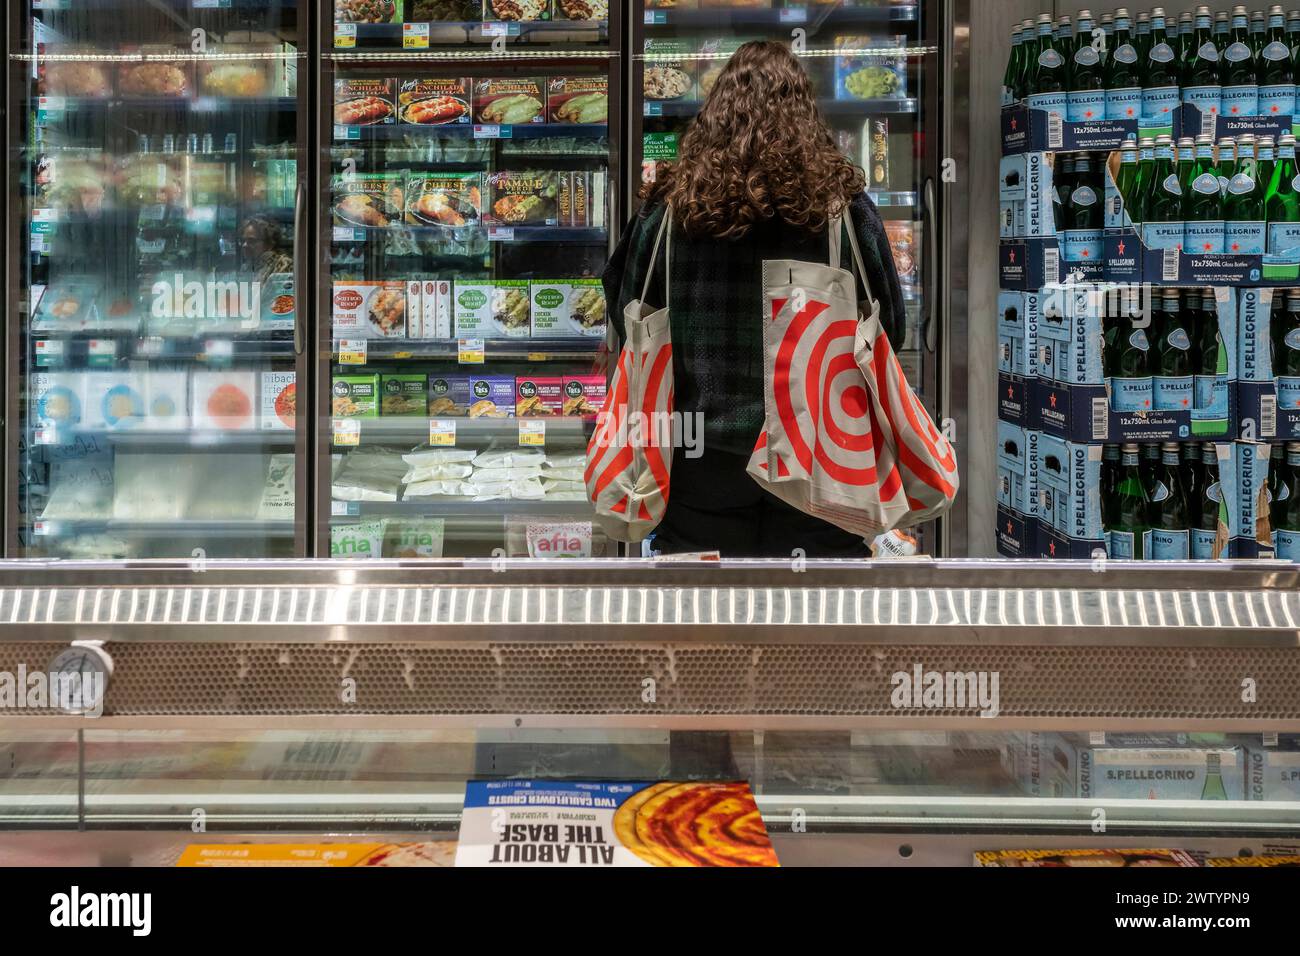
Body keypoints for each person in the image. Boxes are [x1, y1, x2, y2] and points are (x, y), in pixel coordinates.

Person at [603, 40, 908, 558]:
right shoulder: (844, 210)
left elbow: (626, 309)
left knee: (704, 617)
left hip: (696, 450)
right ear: (806, 115)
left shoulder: (671, 211)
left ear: (714, 114)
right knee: (815, 613)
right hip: (822, 453)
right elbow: (890, 328)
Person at [239, 215, 294, 286]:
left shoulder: (283, 264)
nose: (245, 245)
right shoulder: (246, 267)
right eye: (243, 240)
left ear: (270, 243)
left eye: (252, 241)